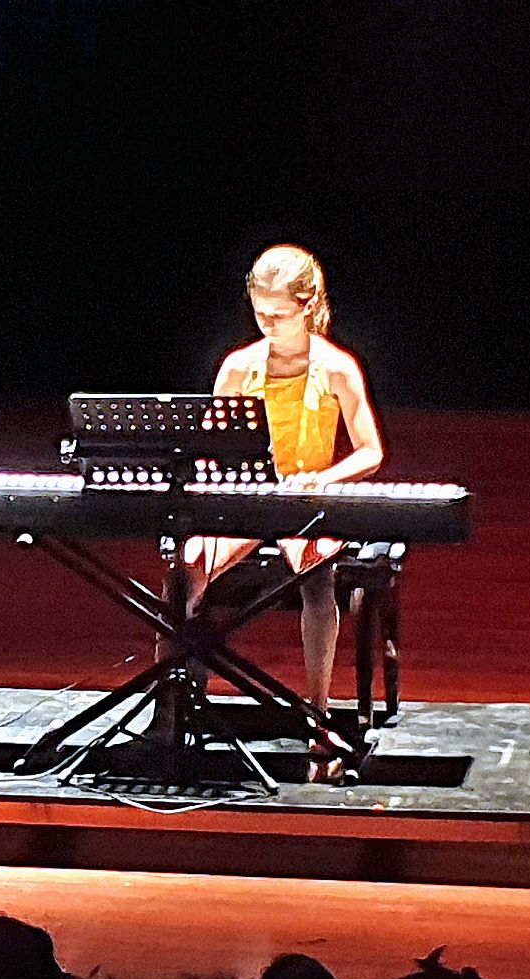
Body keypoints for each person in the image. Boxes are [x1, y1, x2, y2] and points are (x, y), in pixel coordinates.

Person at [178, 244, 384, 782]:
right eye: (259, 313)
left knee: (317, 573)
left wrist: (324, 478)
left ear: (307, 307)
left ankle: (318, 720)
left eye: (278, 314)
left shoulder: (336, 367)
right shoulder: (238, 367)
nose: (266, 324)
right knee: (187, 564)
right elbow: (209, 446)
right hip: (247, 500)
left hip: (306, 504)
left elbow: (370, 451)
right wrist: (214, 472)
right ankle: (173, 707)